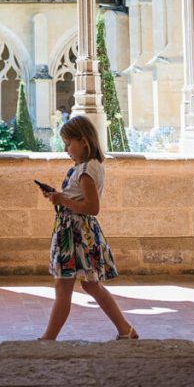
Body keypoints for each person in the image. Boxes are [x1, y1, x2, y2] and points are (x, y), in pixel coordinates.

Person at [40, 114, 139, 341]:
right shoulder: (86, 167)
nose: (65, 149)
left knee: (64, 286)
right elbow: (79, 198)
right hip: (79, 232)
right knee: (91, 286)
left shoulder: (86, 171)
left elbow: (92, 207)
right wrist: (59, 196)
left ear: (83, 141)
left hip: (76, 233)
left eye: (68, 144)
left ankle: (48, 339)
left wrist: (62, 200)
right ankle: (125, 329)